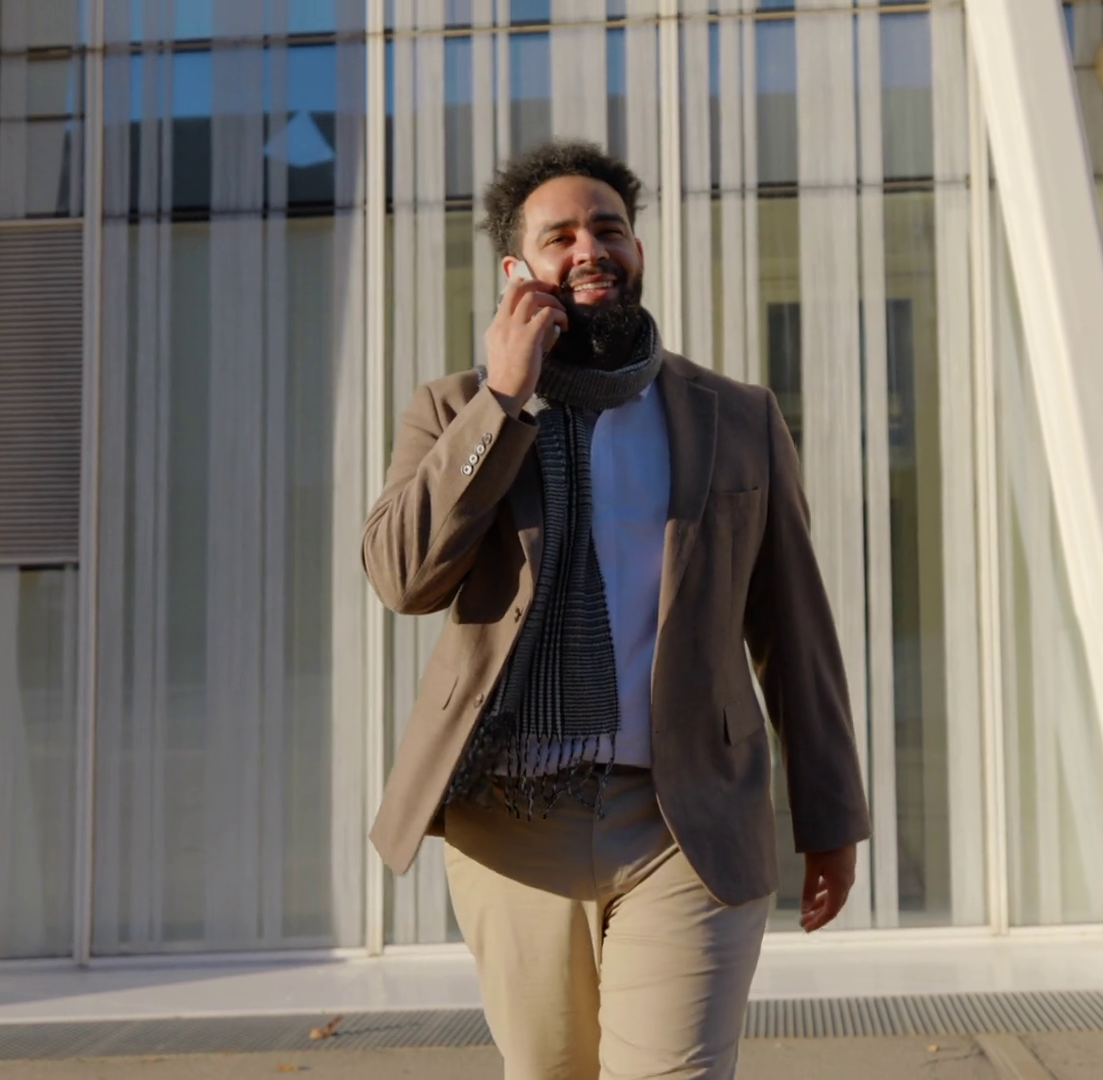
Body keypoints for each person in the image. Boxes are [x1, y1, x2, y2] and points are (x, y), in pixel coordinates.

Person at [362, 140, 869, 1080]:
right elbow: (402, 577)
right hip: (511, 824)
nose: (590, 248)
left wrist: (829, 813)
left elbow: (794, 627)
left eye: (609, 228)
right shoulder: (453, 410)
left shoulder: (735, 416)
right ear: (516, 273)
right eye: (559, 236)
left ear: (636, 250)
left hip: (687, 818)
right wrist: (502, 401)